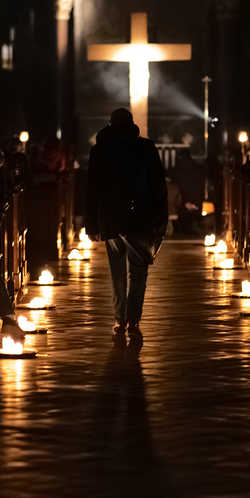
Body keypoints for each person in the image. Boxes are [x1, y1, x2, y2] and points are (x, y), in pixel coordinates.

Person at [84, 108, 168, 343]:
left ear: (110, 124)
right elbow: (158, 186)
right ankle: (133, 322)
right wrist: (161, 220)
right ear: (132, 124)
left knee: (117, 273)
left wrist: (91, 226)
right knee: (139, 272)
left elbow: (91, 190)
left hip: (111, 220)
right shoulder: (145, 147)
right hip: (140, 219)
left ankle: (119, 321)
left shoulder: (99, 150)